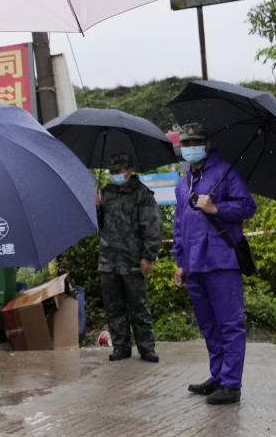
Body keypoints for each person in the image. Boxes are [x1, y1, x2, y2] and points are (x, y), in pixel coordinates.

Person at [173, 122, 256, 405]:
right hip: (194, 265)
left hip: (221, 262)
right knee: (209, 326)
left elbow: (248, 206)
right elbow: (179, 224)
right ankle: (218, 375)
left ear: (207, 144)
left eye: (195, 142)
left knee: (230, 324)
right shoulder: (183, 183)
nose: (190, 147)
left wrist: (217, 208)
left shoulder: (226, 173)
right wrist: (180, 262)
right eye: (185, 143)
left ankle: (232, 384)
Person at [95, 153, 161, 363]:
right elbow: (98, 225)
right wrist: (96, 207)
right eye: (112, 172)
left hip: (133, 261)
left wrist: (148, 256)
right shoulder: (106, 193)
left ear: (130, 170)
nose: (115, 175)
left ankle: (146, 348)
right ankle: (121, 347)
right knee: (114, 308)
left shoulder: (142, 194)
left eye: (119, 171)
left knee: (138, 307)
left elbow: (152, 227)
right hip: (108, 260)